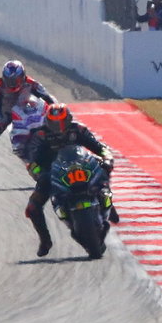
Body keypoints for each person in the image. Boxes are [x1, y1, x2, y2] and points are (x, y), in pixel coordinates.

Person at [23, 103, 119, 257]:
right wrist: (39, 173)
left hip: (80, 167)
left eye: (61, 122)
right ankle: (45, 240)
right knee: (32, 208)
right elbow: (30, 160)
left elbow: (99, 147)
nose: (59, 127)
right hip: (53, 173)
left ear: (68, 119)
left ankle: (108, 203)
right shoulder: (40, 135)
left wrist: (107, 158)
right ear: (48, 121)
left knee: (103, 168)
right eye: (54, 123)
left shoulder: (78, 129)